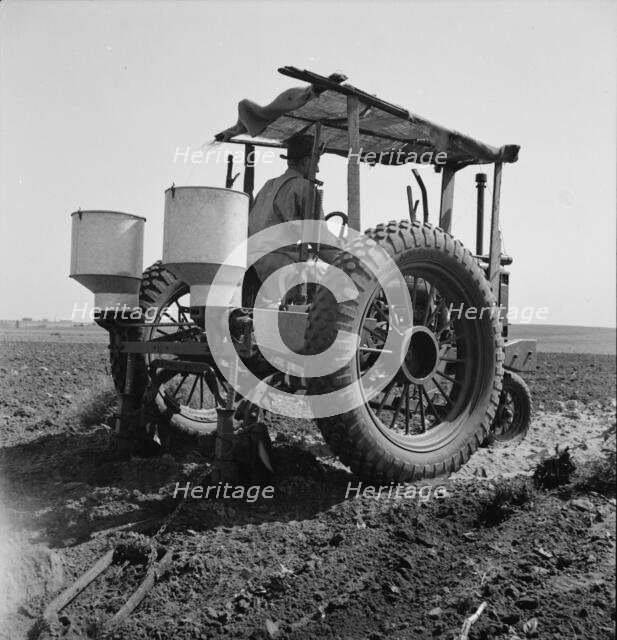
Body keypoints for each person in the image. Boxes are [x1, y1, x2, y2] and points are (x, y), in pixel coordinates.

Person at [247, 135, 342, 303]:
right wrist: (346, 258)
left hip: (255, 262)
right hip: (282, 264)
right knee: (340, 281)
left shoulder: (269, 184)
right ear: (307, 161)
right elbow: (319, 239)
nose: (318, 169)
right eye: (316, 162)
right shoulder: (303, 187)